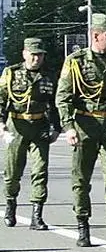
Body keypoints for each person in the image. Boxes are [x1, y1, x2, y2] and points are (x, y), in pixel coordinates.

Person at [56, 13, 106, 248]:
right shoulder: (75, 61)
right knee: (81, 179)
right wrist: (68, 126)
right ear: (95, 35)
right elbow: (63, 97)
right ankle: (83, 225)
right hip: (85, 125)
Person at [1, 38, 61, 230]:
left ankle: (37, 215)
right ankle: (11, 203)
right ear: (25, 54)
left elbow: (56, 104)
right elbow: (1, 98)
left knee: (40, 171)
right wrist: (1, 124)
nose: (36, 58)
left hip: (39, 125)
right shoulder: (11, 73)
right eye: (33, 54)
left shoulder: (49, 75)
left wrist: (56, 128)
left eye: (40, 55)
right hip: (16, 124)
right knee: (13, 172)